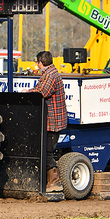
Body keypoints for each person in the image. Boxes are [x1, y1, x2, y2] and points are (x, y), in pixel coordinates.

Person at [29, 51, 67, 193]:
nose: (37, 66)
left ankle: (55, 182)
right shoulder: (51, 74)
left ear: (40, 63)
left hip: (53, 122)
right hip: (52, 121)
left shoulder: (50, 76)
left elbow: (42, 92)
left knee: (46, 151)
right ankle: (50, 182)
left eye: (37, 63)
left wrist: (28, 92)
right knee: (46, 150)